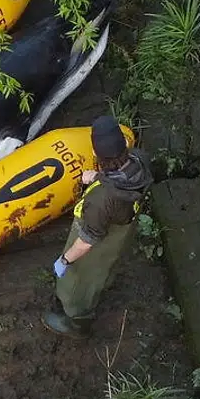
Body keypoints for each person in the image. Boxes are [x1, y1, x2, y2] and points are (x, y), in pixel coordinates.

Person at [43, 114, 154, 337]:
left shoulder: (100, 202)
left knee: (78, 283)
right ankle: (96, 290)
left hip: (96, 243)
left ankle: (76, 322)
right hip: (120, 230)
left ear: (95, 153)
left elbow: (85, 243)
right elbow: (119, 183)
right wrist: (98, 178)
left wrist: (65, 260)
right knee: (105, 269)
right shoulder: (139, 159)